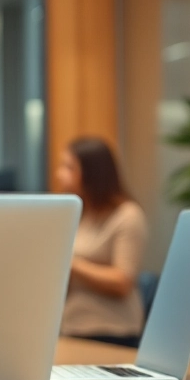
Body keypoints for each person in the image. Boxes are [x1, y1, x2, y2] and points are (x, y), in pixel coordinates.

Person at [54, 136, 148, 345]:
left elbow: (122, 281)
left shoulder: (127, 216)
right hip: (72, 328)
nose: (59, 174)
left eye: (68, 167)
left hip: (112, 333)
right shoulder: (79, 215)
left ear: (92, 172)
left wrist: (67, 262)